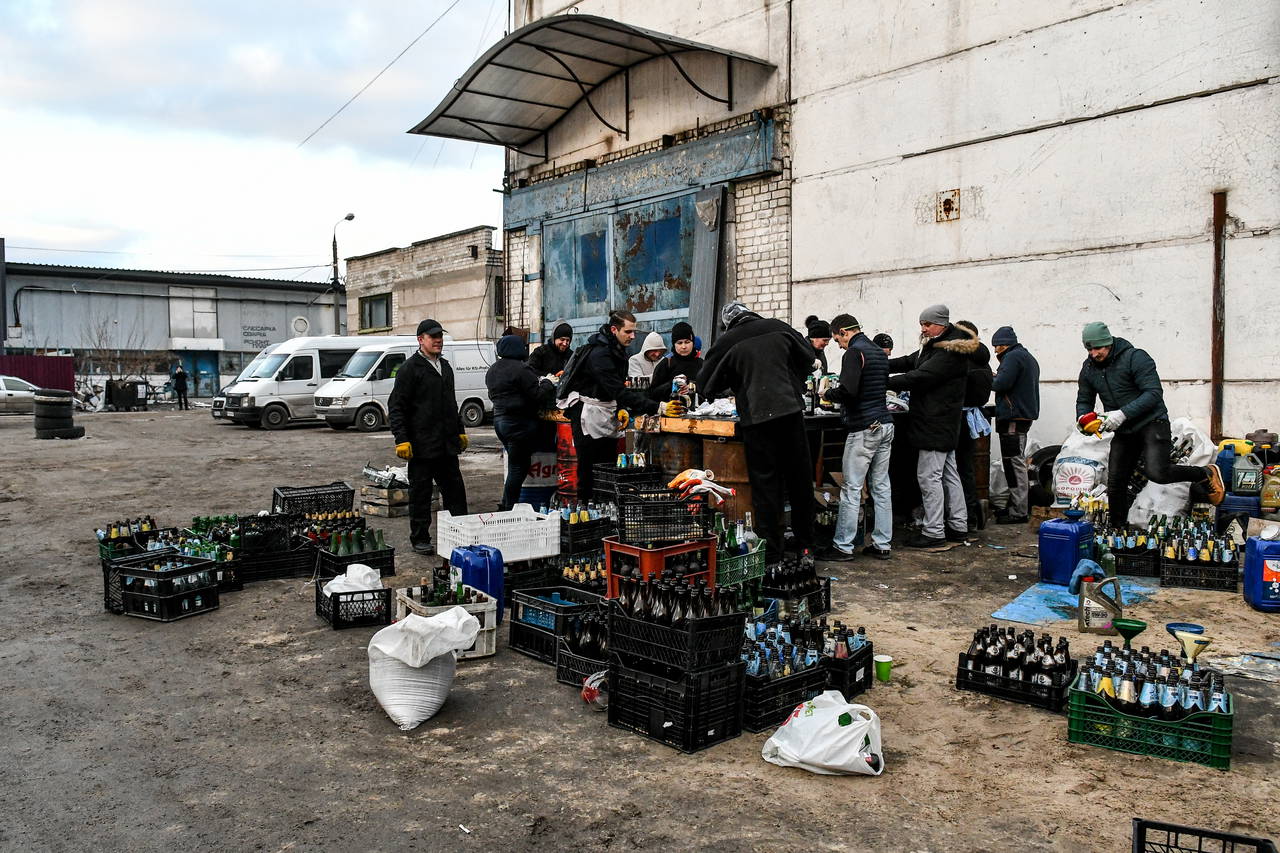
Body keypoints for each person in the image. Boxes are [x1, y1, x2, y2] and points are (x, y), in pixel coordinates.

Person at [701, 301, 817, 567]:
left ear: (727, 324)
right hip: (791, 413)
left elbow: (707, 383)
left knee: (767, 487)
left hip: (757, 420)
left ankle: (773, 556)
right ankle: (806, 549)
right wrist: (790, 380)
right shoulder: (779, 327)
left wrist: (736, 382)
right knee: (800, 482)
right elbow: (809, 359)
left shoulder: (727, 341)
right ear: (751, 314)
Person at [1075, 321, 1225, 525]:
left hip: (1152, 422)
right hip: (1125, 431)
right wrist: (1083, 419)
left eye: (1098, 348)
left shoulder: (1135, 358)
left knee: (1158, 472)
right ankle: (1118, 532)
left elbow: (1154, 393)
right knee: (1116, 482)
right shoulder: (1089, 368)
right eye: (1089, 349)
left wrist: (1122, 413)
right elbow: (1084, 399)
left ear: (1109, 343)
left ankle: (1205, 473)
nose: (1094, 353)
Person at [557, 310, 673, 502]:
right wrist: (657, 407)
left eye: (633, 331)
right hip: (588, 414)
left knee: (607, 467)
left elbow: (618, 390)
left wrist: (620, 408)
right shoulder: (599, 355)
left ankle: (606, 510)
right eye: (628, 332)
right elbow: (618, 390)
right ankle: (586, 513)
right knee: (588, 469)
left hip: (606, 410)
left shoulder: (618, 352)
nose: (633, 336)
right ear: (614, 330)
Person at [886, 304, 977, 548]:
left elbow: (922, 376)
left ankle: (934, 530)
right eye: (922, 324)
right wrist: (882, 363)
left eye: (927, 324)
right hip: (942, 421)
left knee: (929, 477)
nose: (923, 329)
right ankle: (959, 525)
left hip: (935, 421)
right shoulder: (937, 345)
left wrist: (885, 382)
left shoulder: (949, 352)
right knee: (949, 474)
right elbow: (910, 362)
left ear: (942, 324)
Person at [388, 318, 469, 555]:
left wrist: (460, 431)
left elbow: (451, 405)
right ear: (420, 340)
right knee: (421, 496)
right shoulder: (410, 369)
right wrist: (401, 439)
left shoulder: (445, 367)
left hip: (446, 445)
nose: (438, 341)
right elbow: (396, 407)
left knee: (456, 493)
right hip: (421, 446)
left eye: (440, 337)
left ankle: (460, 533)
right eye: (432, 337)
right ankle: (420, 538)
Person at [817, 314, 894, 562]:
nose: (838, 344)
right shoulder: (879, 353)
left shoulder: (854, 352)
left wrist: (827, 393)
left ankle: (842, 546)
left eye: (837, 338)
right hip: (885, 425)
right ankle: (882, 544)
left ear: (844, 332)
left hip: (864, 428)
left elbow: (849, 390)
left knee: (851, 488)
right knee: (881, 487)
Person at [486, 334, 554, 511]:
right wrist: (548, 382)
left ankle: (506, 503)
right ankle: (509, 508)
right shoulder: (521, 369)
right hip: (519, 425)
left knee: (516, 465)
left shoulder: (492, 370)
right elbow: (537, 395)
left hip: (500, 423)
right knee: (517, 468)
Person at [990, 326, 1040, 523]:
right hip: (1020, 416)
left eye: (997, 346)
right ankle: (1016, 507)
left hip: (1013, 418)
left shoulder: (1012, 357)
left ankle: (1019, 512)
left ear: (1005, 344)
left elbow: (1000, 384)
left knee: (1014, 463)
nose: (995, 351)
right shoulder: (1025, 356)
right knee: (1014, 462)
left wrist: (987, 377)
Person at [953, 320, 993, 532]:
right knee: (966, 469)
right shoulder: (983, 361)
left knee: (956, 471)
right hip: (972, 418)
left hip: (958, 420)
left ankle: (963, 517)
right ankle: (970, 515)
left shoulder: (964, 364)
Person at [648, 321, 703, 403]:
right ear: (674, 344)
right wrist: (672, 385)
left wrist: (692, 389)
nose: (684, 346)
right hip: (671, 411)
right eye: (679, 343)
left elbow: (709, 391)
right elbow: (652, 394)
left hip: (698, 412)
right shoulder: (666, 363)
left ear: (693, 343)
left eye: (687, 342)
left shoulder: (701, 364)